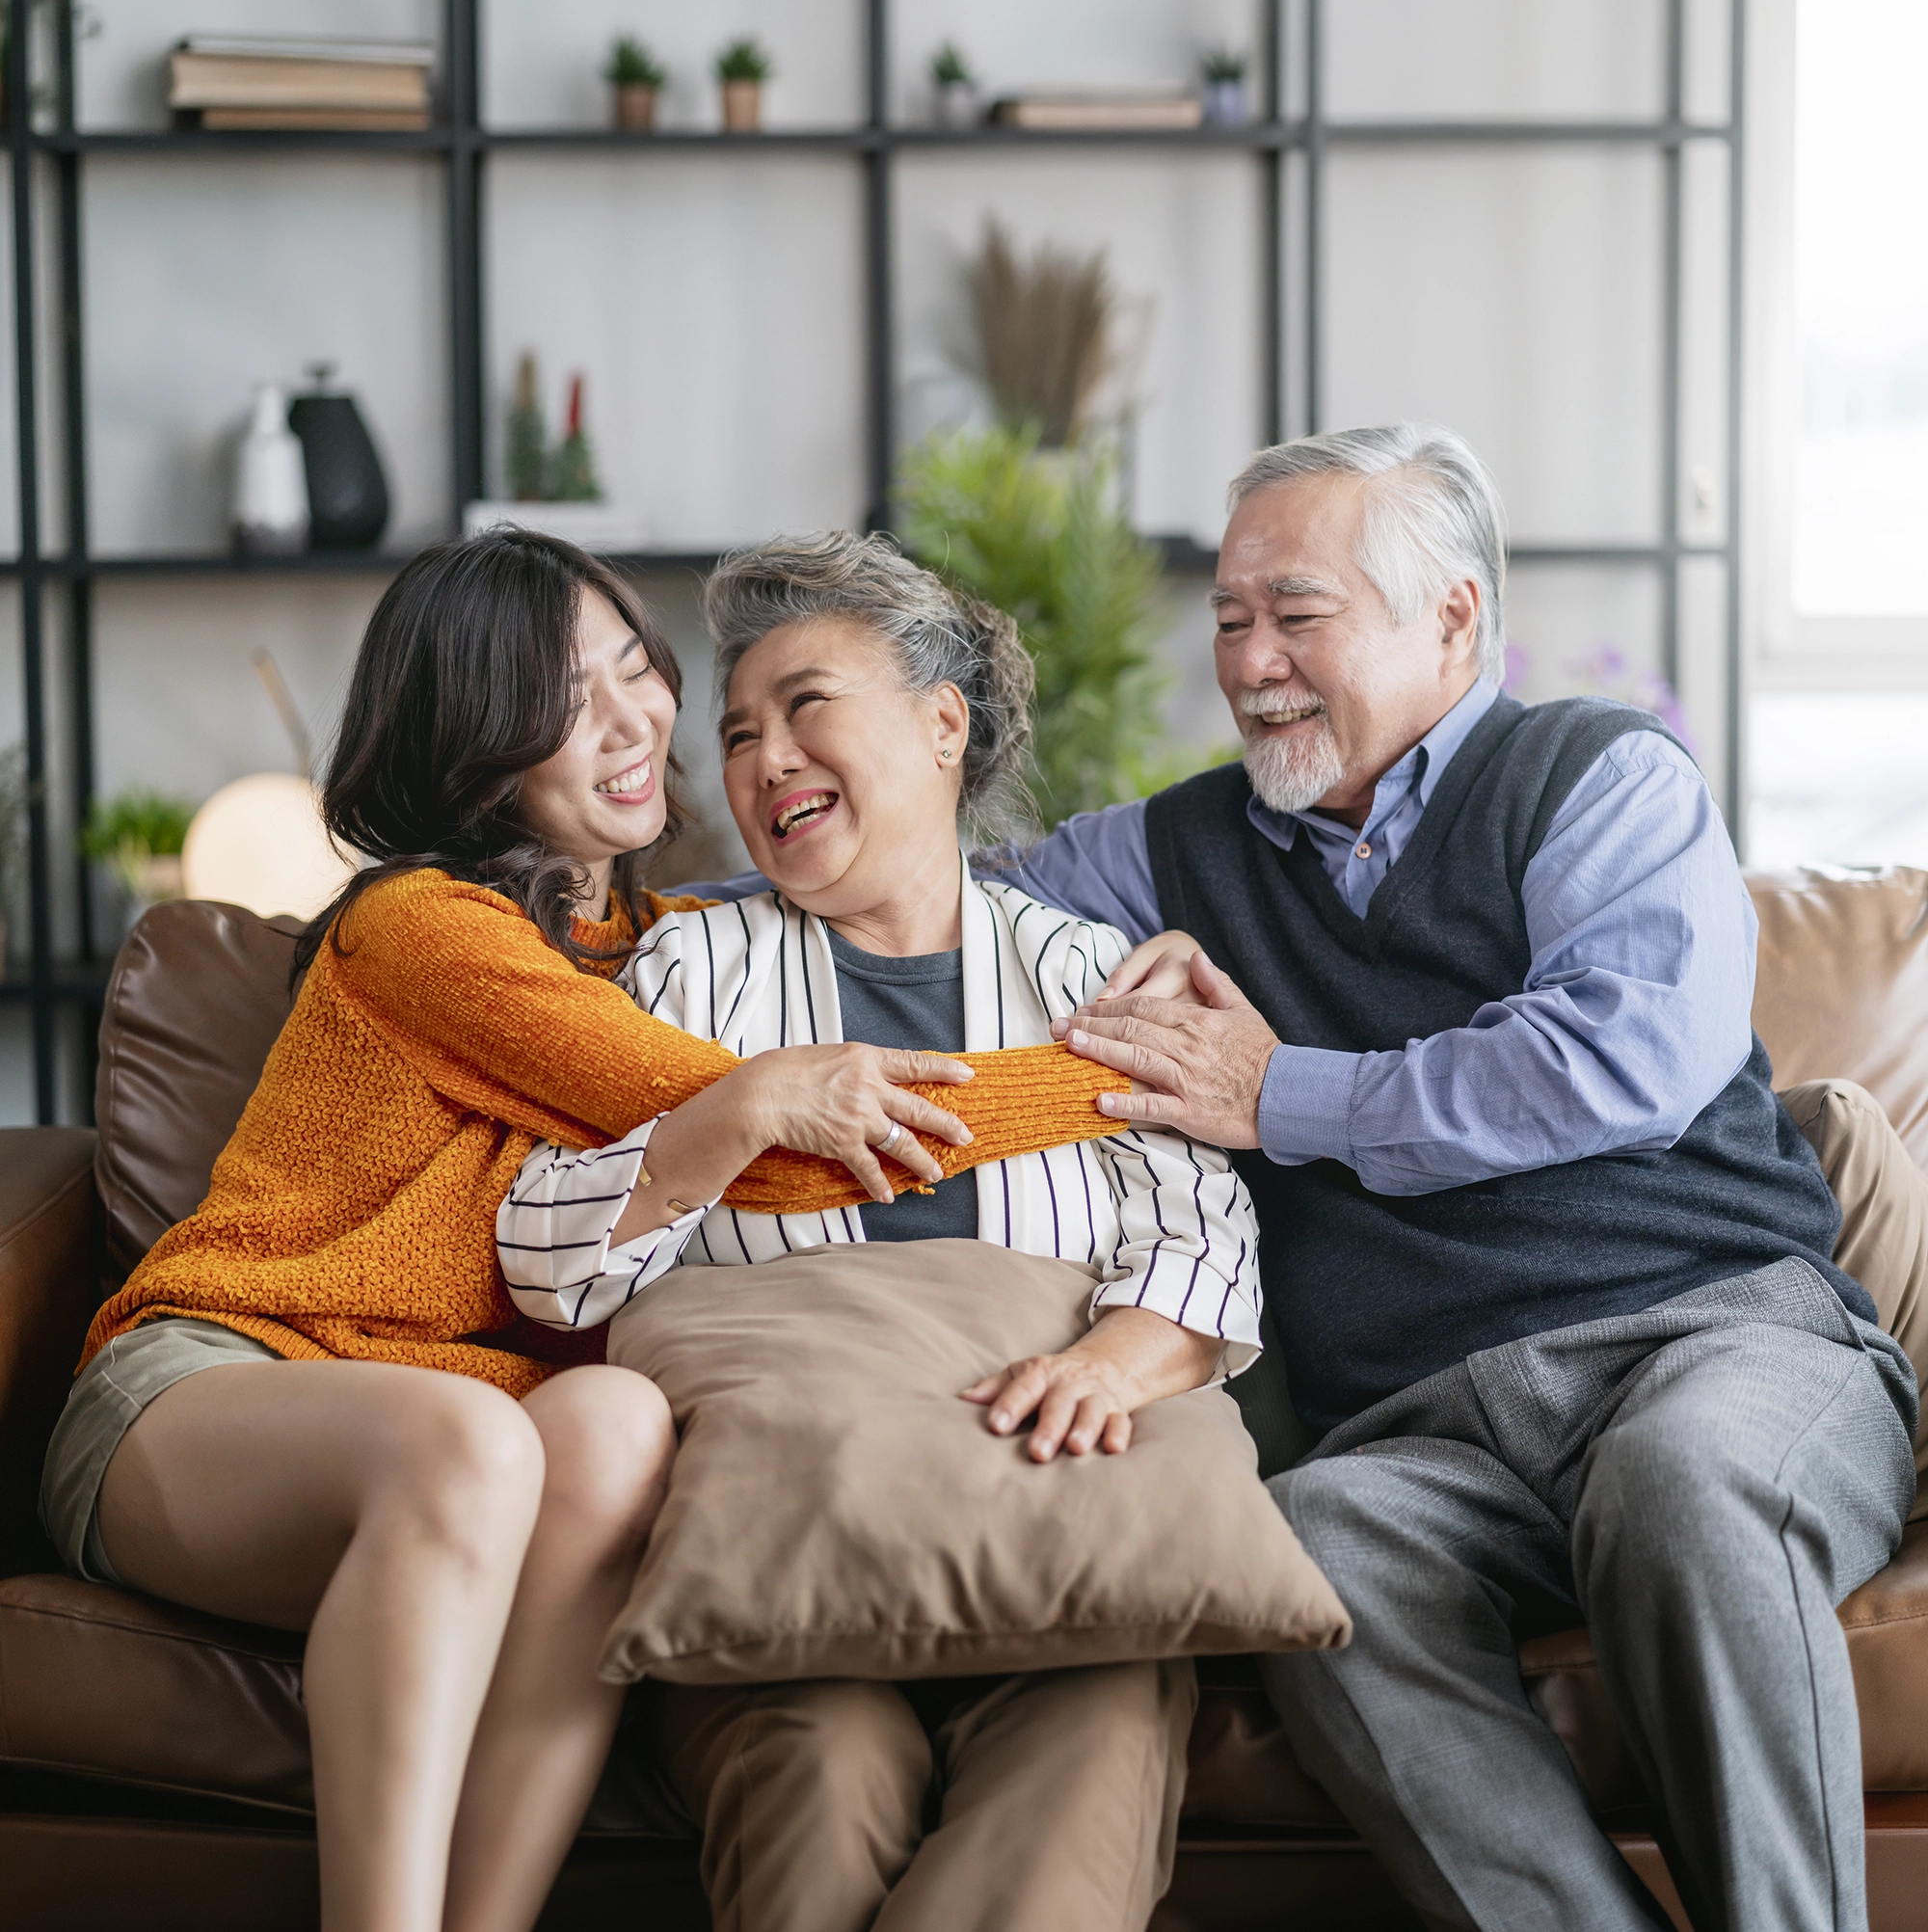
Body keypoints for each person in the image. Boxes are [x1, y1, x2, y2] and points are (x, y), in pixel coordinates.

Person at [41, 530, 1120, 1932]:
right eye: (562, 703)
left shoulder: (669, 944)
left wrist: (1131, 972)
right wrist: (1130, 1077)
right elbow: (781, 1148)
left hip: (466, 1430)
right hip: (218, 1386)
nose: (632, 722)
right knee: (472, 1443)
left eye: (636, 669)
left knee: (614, 1421)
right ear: (477, 749)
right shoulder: (428, 928)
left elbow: (930, 877)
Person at [986, 424, 1917, 1932]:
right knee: (1308, 1549)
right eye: (1229, 618)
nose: (1250, 662)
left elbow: (1618, 1059)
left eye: (1298, 614)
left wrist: (1277, 1093)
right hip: (1428, 1437)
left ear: (1453, 617)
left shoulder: (1596, 778)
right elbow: (920, 912)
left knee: (1680, 1485)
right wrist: (625, 926)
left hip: (1721, 1346)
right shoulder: (1176, 850)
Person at [497, 530, 1262, 1932]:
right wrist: (738, 1114)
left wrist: (1104, 1369)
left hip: (1058, 1539)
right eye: (738, 732)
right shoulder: (686, 971)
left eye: (806, 704)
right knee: (817, 1775)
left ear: (942, 725)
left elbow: (1205, 1246)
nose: (764, 757)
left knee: (1089, 1764)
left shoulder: (1091, 981)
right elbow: (545, 1262)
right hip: (786, 1560)